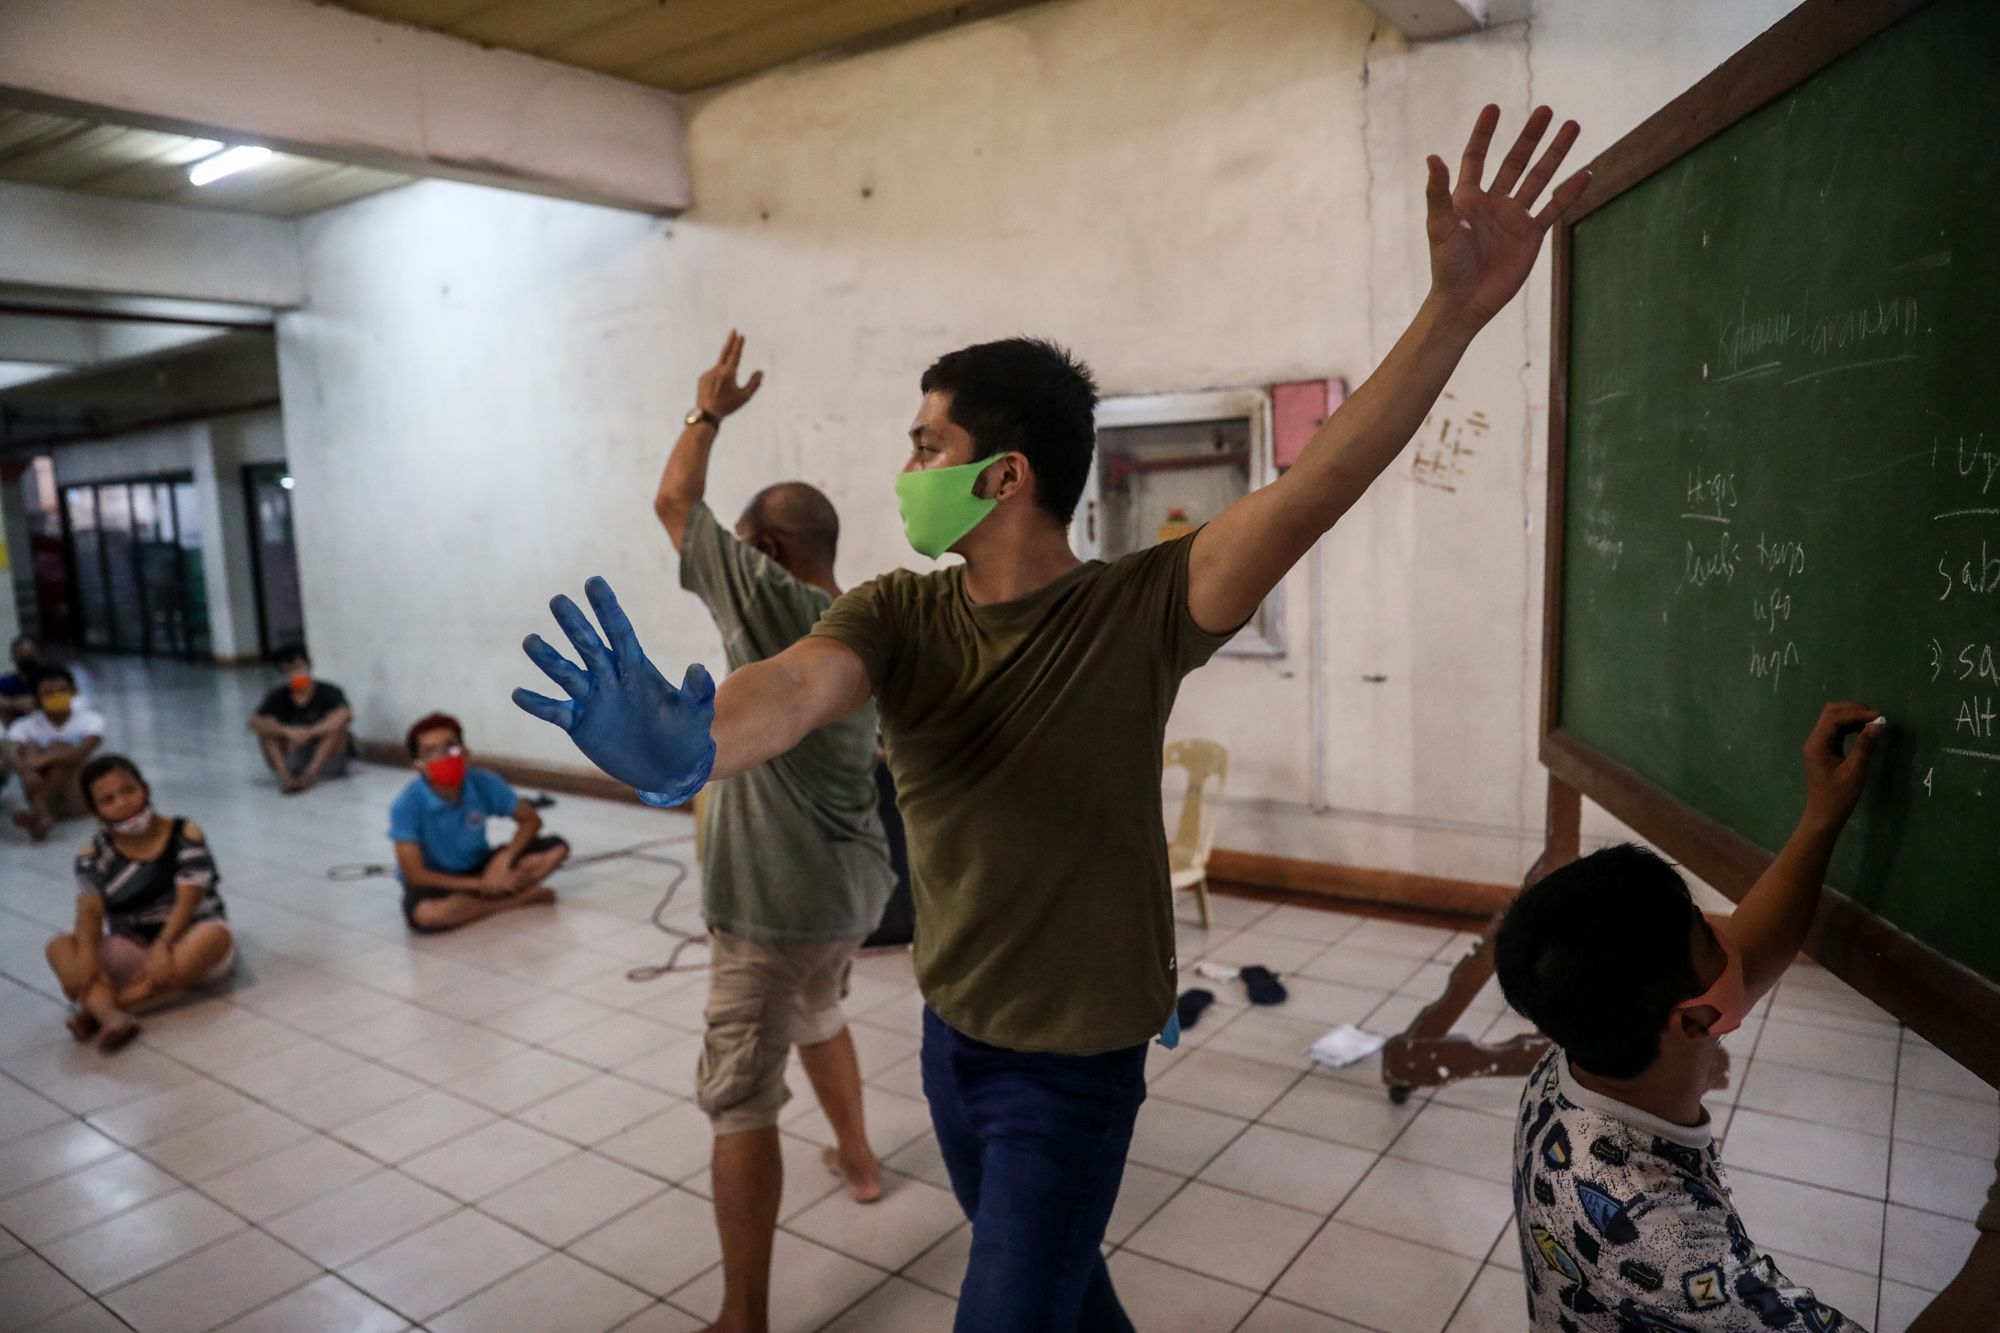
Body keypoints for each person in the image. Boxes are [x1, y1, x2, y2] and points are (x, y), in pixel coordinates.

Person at [516, 104, 1589, 1331]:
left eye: (927, 443)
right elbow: (799, 687)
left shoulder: (1141, 610)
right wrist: (686, 741)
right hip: (951, 1035)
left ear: (1004, 475)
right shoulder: (897, 614)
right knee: (1064, 1293)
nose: (906, 467)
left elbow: (1316, 484)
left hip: (1072, 1066)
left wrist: (1451, 310)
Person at [1493, 703, 1892, 1329]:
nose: (1731, 936)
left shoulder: (1570, 1058)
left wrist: (1821, 816)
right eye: (1709, 938)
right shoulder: (1659, 1233)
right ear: (1695, 1021)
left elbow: (1754, 950)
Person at [653, 334, 899, 1333]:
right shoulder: (862, 620)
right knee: (821, 1014)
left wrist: (707, 411)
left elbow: (675, 504)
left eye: (744, 542)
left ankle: (740, 1316)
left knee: (741, 1096)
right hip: (851, 896)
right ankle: (863, 1160)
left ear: (767, 551)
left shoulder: (775, 603)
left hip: (768, 901)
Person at [44, 755, 236, 1052]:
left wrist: (164, 944)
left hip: (186, 939)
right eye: (108, 800)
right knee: (59, 947)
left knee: (214, 937)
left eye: (128, 790)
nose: (122, 803)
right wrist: (86, 956)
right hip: (132, 946)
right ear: (95, 811)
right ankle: (114, 1018)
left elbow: (189, 900)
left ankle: (106, 1010)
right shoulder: (92, 855)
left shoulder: (185, 834)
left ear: (145, 789)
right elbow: (90, 911)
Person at [389, 712, 569, 933]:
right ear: (418, 766)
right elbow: (415, 874)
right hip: (438, 880)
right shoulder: (406, 805)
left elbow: (531, 820)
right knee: (427, 914)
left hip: (480, 864)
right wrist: (481, 884)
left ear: (465, 752)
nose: (444, 756)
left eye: (451, 747)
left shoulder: (483, 782)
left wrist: (503, 859)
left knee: (556, 849)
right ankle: (514, 900)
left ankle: (480, 903)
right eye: (431, 752)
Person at [4, 667, 105, 842]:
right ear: (37, 698)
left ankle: (39, 814)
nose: (56, 696)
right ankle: (44, 815)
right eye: (49, 693)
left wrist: (45, 759)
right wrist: (26, 770)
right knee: (27, 750)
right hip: (45, 794)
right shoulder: (25, 725)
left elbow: (82, 751)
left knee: (62, 748)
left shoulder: (91, 720)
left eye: (62, 691)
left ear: (74, 692)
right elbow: (8, 751)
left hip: (77, 799)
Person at [248, 644, 354, 793]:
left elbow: (345, 715)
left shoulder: (329, 691)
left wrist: (309, 732)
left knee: (336, 727)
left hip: (328, 758)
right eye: (289, 669)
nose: (295, 673)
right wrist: (286, 731)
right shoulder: (278, 696)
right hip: (294, 755)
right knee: (267, 730)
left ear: (308, 665)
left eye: (299, 667)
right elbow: (254, 722)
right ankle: (287, 778)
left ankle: (309, 775)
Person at [0, 635, 45, 724]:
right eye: (21, 652)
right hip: (16, 727)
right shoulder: (5, 681)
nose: (26, 655)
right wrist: (15, 703)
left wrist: (37, 702)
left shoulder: (51, 678)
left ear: (40, 654)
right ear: (12, 656)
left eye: (30, 652)